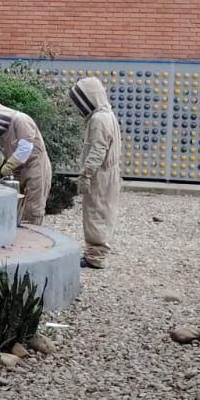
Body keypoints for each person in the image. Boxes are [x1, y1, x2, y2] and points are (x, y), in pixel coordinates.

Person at [70, 76, 122, 269]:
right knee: (103, 211)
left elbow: (98, 149)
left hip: (100, 174)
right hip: (108, 172)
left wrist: (86, 174)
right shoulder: (107, 115)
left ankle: (95, 256)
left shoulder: (99, 119)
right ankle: (96, 254)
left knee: (96, 212)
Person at [0, 99, 52, 227]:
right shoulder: (4, 131)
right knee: (16, 206)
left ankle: (32, 236)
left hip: (36, 167)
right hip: (18, 171)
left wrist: (8, 166)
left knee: (33, 207)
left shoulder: (21, 120)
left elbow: (25, 147)